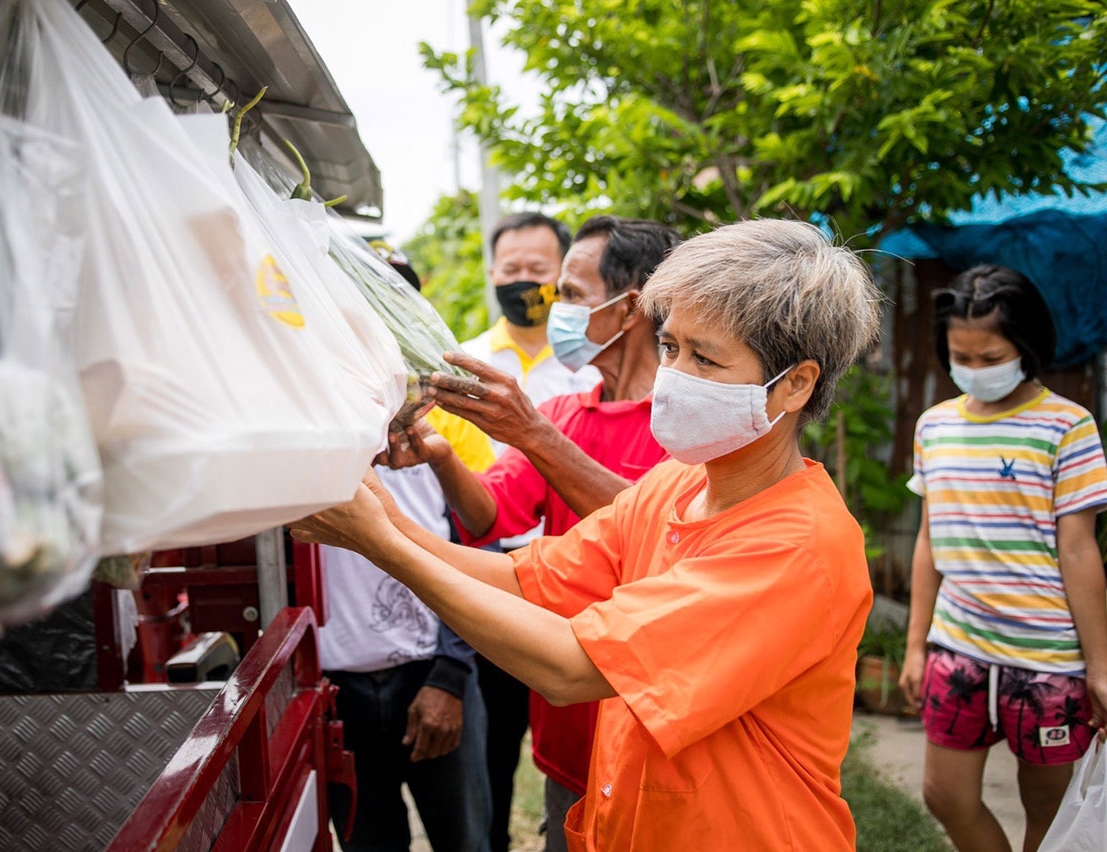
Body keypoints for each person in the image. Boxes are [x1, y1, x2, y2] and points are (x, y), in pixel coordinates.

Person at [292, 218, 883, 849]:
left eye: (704, 358)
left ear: (795, 384)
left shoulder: (795, 544)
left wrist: (381, 543)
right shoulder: (676, 484)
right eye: (670, 347)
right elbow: (523, 578)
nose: (674, 374)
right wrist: (386, 520)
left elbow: (572, 666)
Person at [384, 215, 681, 850]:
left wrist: (534, 435)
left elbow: (662, 533)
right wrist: (441, 457)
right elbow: (490, 515)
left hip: (655, 724)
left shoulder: (686, 426)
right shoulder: (564, 414)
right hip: (568, 722)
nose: (556, 310)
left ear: (629, 308)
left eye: (571, 294)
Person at [897, 264, 1107, 852]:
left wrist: (1100, 668)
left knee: (1047, 810)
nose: (975, 369)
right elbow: (929, 539)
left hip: (1047, 661)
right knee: (945, 796)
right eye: (961, 357)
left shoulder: (1068, 427)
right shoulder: (934, 426)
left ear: (1027, 346)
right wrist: (916, 644)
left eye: (990, 357)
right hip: (956, 649)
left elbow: (1078, 548)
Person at [319, 249, 492, 852]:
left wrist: (451, 673)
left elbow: (480, 541)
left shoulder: (445, 422)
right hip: (336, 687)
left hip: (432, 670)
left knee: (465, 838)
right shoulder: (307, 422)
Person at [446, 211, 599, 851]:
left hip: (581, 583)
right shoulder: (464, 362)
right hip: (494, 575)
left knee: (585, 745)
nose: (523, 281)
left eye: (538, 270)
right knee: (493, 747)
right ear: (491, 273)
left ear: (561, 275)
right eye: (511, 269)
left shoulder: (591, 366)